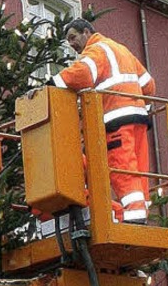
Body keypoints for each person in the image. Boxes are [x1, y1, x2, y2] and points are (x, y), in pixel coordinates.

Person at [49, 18, 156, 224]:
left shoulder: (96, 50)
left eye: (73, 37)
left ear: (87, 32)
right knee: (138, 168)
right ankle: (140, 213)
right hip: (139, 119)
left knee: (121, 167)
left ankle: (134, 217)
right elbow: (149, 85)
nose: (71, 44)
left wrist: (53, 83)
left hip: (116, 120)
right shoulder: (121, 50)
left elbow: (82, 74)